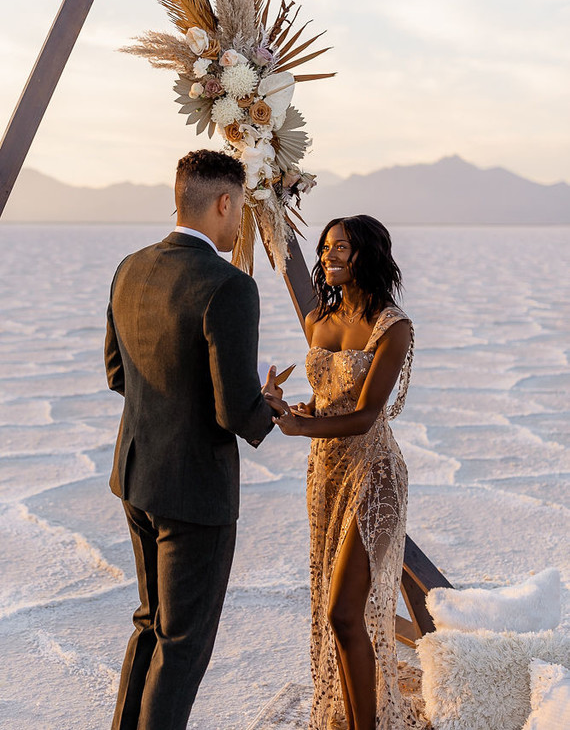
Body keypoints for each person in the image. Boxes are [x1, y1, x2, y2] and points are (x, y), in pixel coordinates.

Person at [105, 149, 279, 730]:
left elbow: (116, 373)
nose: (240, 226)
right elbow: (234, 411)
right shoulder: (229, 286)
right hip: (195, 495)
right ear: (223, 202)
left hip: (136, 478)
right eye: (240, 210)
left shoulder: (130, 267)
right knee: (182, 648)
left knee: (151, 626)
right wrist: (268, 408)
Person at [265, 215, 427, 730]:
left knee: (344, 613)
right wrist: (289, 407)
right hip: (325, 476)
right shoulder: (319, 322)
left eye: (344, 248)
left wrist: (296, 427)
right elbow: (327, 405)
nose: (331, 256)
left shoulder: (392, 326)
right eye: (327, 247)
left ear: (369, 257)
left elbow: (363, 416)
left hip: (375, 475)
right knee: (333, 611)